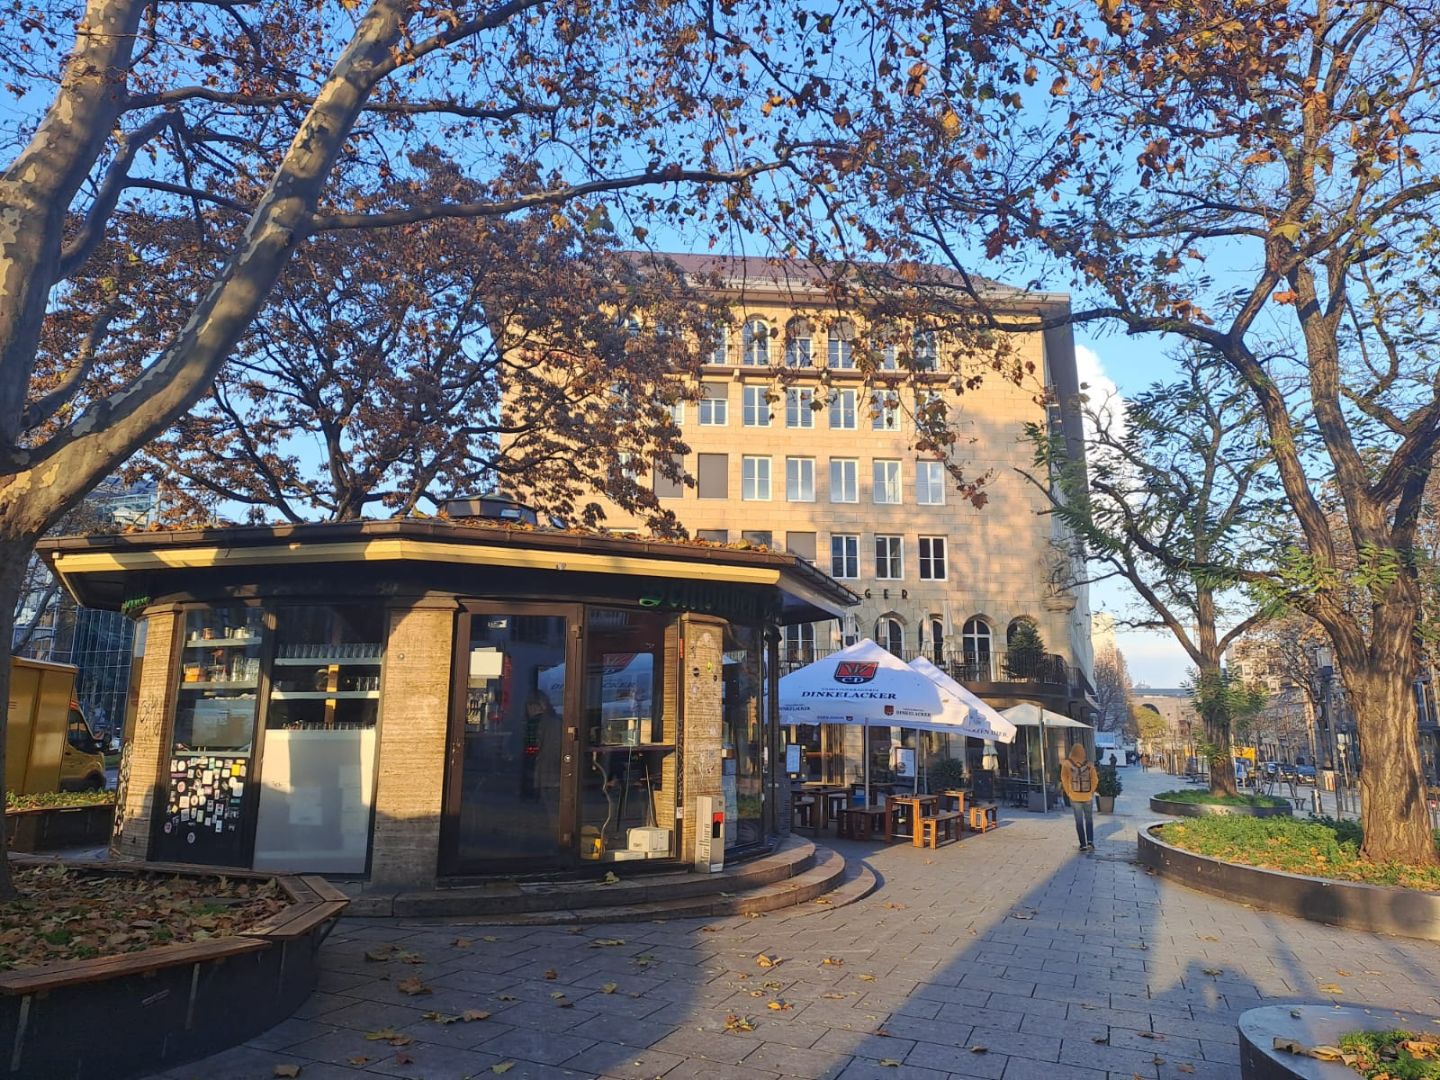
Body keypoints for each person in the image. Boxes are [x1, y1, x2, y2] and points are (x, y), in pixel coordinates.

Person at [1060, 743, 1098, 851]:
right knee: (1089, 819)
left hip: (1075, 796)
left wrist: (1069, 792)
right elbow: (1095, 780)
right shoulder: (1089, 764)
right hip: (1087, 797)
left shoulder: (1067, 764)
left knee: (1079, 821)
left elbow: (1064, 779)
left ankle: (1083, 844)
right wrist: (1091, 792)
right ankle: (1090, 841)